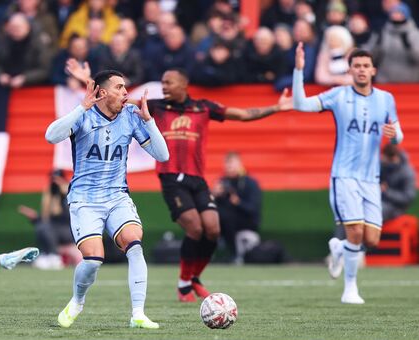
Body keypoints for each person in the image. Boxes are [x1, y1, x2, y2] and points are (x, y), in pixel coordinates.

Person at [64, 62, 292, 302]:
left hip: (197, 178)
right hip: (172, 178)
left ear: (184, 84)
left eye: (168, 82)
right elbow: (109, 98)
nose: (163, 87)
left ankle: (194, 277)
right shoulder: (156, 107)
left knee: (213, 229)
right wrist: (87, 80)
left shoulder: (203, 107)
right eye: (161, 82)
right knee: (194, 226)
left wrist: (277, 107)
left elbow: (244, 115)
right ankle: (184, 282)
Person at [45, 70, 169, 329]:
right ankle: (78, 301)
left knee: (134, 244)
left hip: (116, 197)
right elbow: (51, 135)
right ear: (102, 92)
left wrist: (149, 121)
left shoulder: (131, 118)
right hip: (84, 200)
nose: (126, 93)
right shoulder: (84, 116)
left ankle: (138, 314)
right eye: (120, 87)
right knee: (92, 259)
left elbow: (162, 155)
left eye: (126, 88)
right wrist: (81, 107)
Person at [292, 42, 404, 304]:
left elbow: (397, 134)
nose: (362, 70)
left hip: (371, 178)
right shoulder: (339, 95)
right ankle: (350, 289)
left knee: (372, 239)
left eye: (366, 66)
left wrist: (394, 136)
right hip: (344, 175)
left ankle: (339, 249)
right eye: (357, 66)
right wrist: (299, 71)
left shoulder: (386, 99)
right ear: (350, 70)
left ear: (373, 70)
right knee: (354, 232)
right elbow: (300, 104)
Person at [18, 169, 81, 269]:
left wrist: (65, 195)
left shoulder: (69, 194)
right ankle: (48, 254)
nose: (55, 183)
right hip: (54, 231)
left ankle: (54, 256)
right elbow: (47, 220)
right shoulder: (49, 195)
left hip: (69, 231)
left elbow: (71, 217)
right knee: (42, 227)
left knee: (46, 228)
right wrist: (35, 218)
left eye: (57, 180)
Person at [212, 152, 262, 264]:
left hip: (246, 221)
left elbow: (253, 209)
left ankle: (235, 254)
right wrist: (214, 195)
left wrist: (238, 202)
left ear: (240, 165)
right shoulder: (222, 182)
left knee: (225, 216)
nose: (230, 168)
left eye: (232, 164)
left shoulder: (250, 183)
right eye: (227, 164)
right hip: (225, 223)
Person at [380, 143, 416, 221]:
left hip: (396, 207)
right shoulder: (381, 166)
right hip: (378, 201)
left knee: (376, 212)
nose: (389, 162)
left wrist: (386, 191)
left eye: (391, 160)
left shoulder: (407, 172)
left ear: (397, 156)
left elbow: (408, 197)